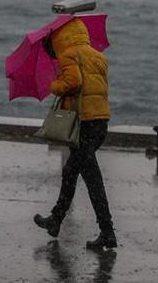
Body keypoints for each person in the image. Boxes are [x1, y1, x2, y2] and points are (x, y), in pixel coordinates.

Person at [34, 17, 117, 249]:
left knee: (85, 176)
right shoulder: (97, 56)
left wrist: (54, 85)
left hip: (83, 124)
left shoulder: (69, 55)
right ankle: (57, 220)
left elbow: (73, 82)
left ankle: (106, 230)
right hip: (100, 122)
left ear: (61, 37)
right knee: (77, 173)